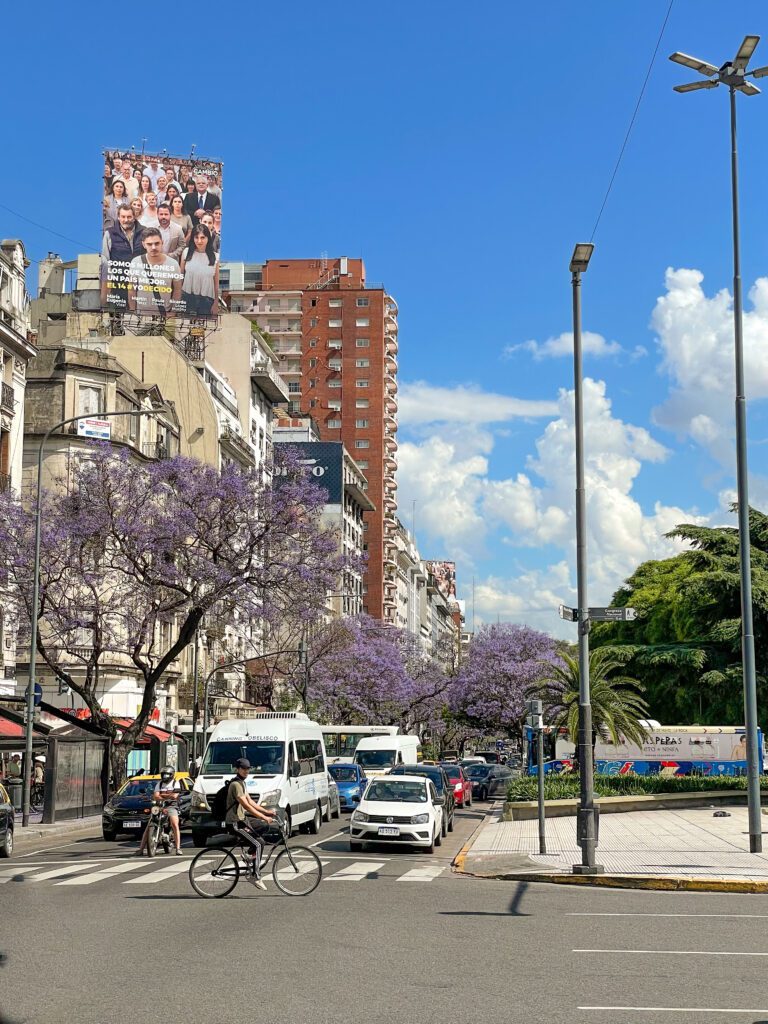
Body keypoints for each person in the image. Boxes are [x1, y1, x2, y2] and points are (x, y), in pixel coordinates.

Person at [225, 757, 276, 889]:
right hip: (235, 823)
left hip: (243, 820)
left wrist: (266, 812)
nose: (246, 771)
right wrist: (263, 816)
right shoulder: (236, 784)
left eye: (248, 769)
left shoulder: (242, 783)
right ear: (238, 769)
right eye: (243, 769)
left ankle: (249, 855)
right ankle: (255, 875)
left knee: (263, 832)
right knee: (258, 844)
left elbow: (251, 802)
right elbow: (246, 806)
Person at [101, 204, 146, 309]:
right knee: (117, 316)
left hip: (140, 284)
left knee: (138, 315)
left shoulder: (145, 232)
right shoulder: (109, 234)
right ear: (118, 217)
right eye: (123, 217)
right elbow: (105, 261)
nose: (126, 220)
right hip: (118, 284)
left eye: (129, 217)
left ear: (134, 217)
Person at [127, 228, 183, 314]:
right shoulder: (136, 262)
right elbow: (131, 289)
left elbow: (177, 290)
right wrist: (133, 310)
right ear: (143, 244)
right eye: (149, 244)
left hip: (164, 314)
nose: (153, 247)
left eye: (157, 243)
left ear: (162, 242)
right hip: (141, 313)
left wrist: (173, 312)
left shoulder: (173, 264)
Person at [134, 766, 183, 856]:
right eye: (163, 774)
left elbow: (175, 796)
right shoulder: (159, 784)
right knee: (149, 825)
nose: (165, 776)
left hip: (171, 806)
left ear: (171, 775)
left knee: (175, 824)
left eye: (167, 774)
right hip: (159, 805)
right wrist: (168, 795)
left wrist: (163, 795)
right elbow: (156, 796)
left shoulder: (175, 783)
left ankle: (178, 848)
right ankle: (141, 849)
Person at [180, 225, 218, 316]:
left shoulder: (216, 257)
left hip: (207, 301)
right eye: (196, 237)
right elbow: (180, 277)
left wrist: (216, 303)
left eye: (202, 237)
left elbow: (216, 284)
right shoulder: (186, 252)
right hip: (187, 297)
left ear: (208, 238)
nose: (199, 241)